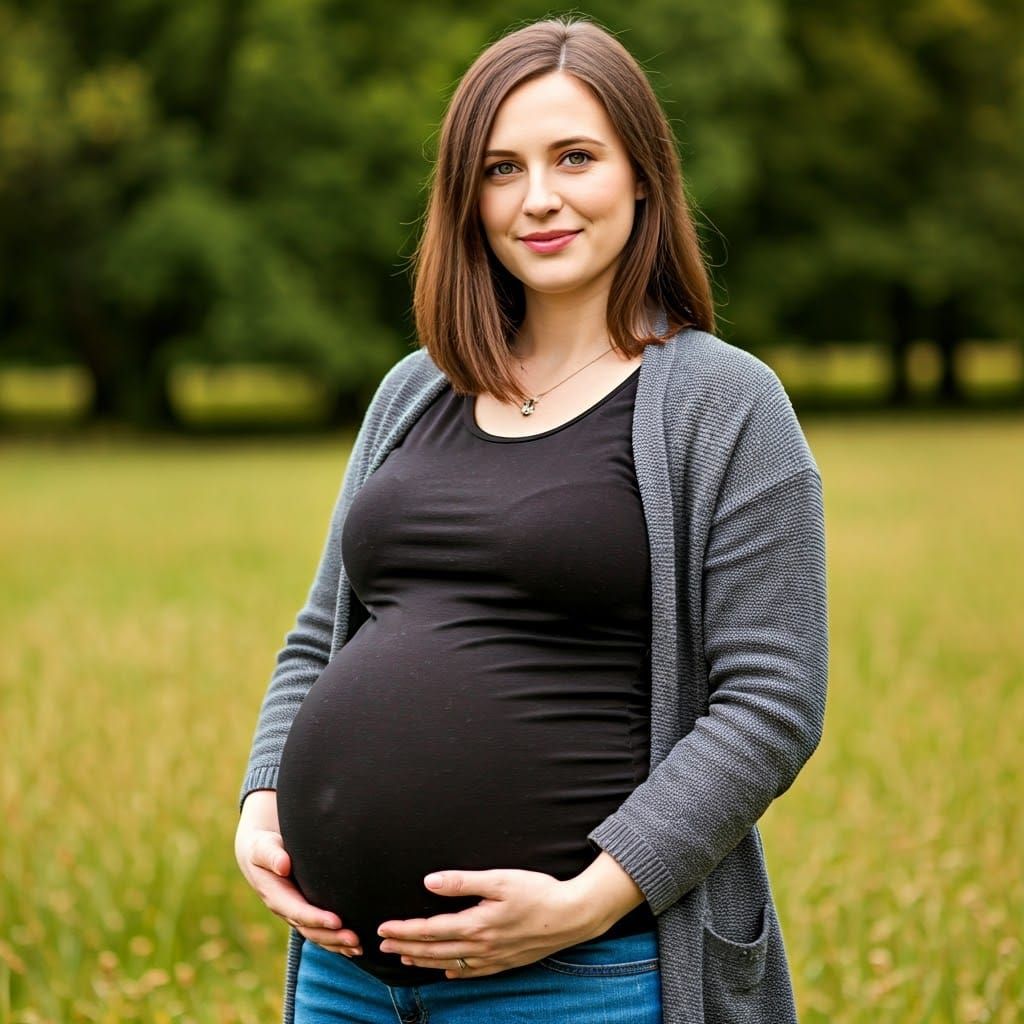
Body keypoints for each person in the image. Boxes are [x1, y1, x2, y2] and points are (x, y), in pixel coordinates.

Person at [235, 15, 829, 1024]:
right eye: (501, 168)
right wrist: (262, 804)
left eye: (575, 158)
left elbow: (769, 700)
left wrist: (583, 902)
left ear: (642, 175)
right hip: (345, 980)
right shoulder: (413, 392)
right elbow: (319, 636)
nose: (538, 197)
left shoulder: (724, 404)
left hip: (577, 980)